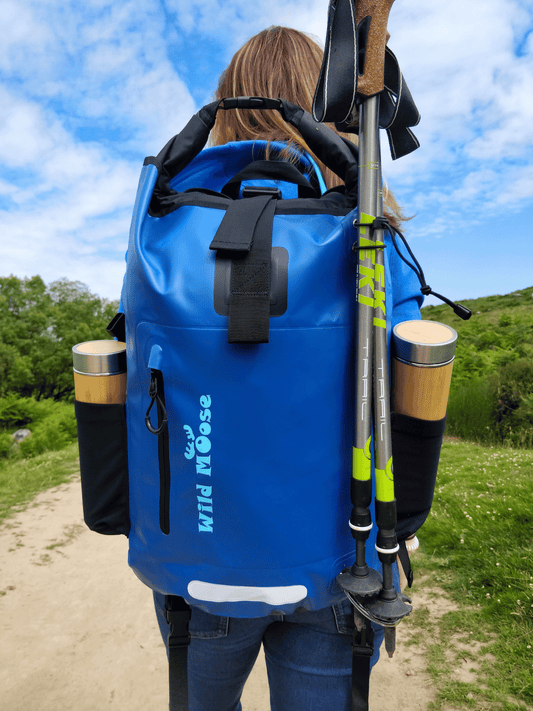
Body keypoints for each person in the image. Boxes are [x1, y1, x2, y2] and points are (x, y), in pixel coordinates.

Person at [153, 26, 421, 711]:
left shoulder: (172, 235)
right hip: (341, 560)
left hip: (200, 567)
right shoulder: (373, 239)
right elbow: (409, 390)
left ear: (227, 107)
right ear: (326, 105)